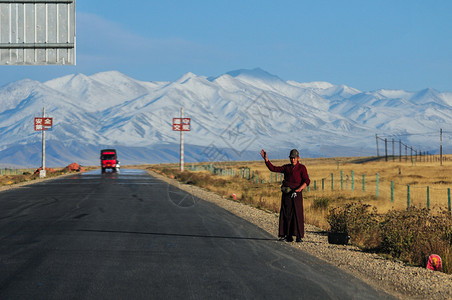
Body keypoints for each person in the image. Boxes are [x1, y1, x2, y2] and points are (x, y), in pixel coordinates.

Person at [260, 149, 310, 242]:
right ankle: (287, 235)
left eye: (294, 158)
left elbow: (307, 181)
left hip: (297, 195)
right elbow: (273, 168)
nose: (292, 160)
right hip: (287, 194)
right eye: (291, 158)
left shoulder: (302, 168)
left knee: (297, 214)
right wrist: (266, 159)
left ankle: (298, 236)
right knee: (286, 214)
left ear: (298, 158)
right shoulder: (286, 168)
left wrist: (299, 189)